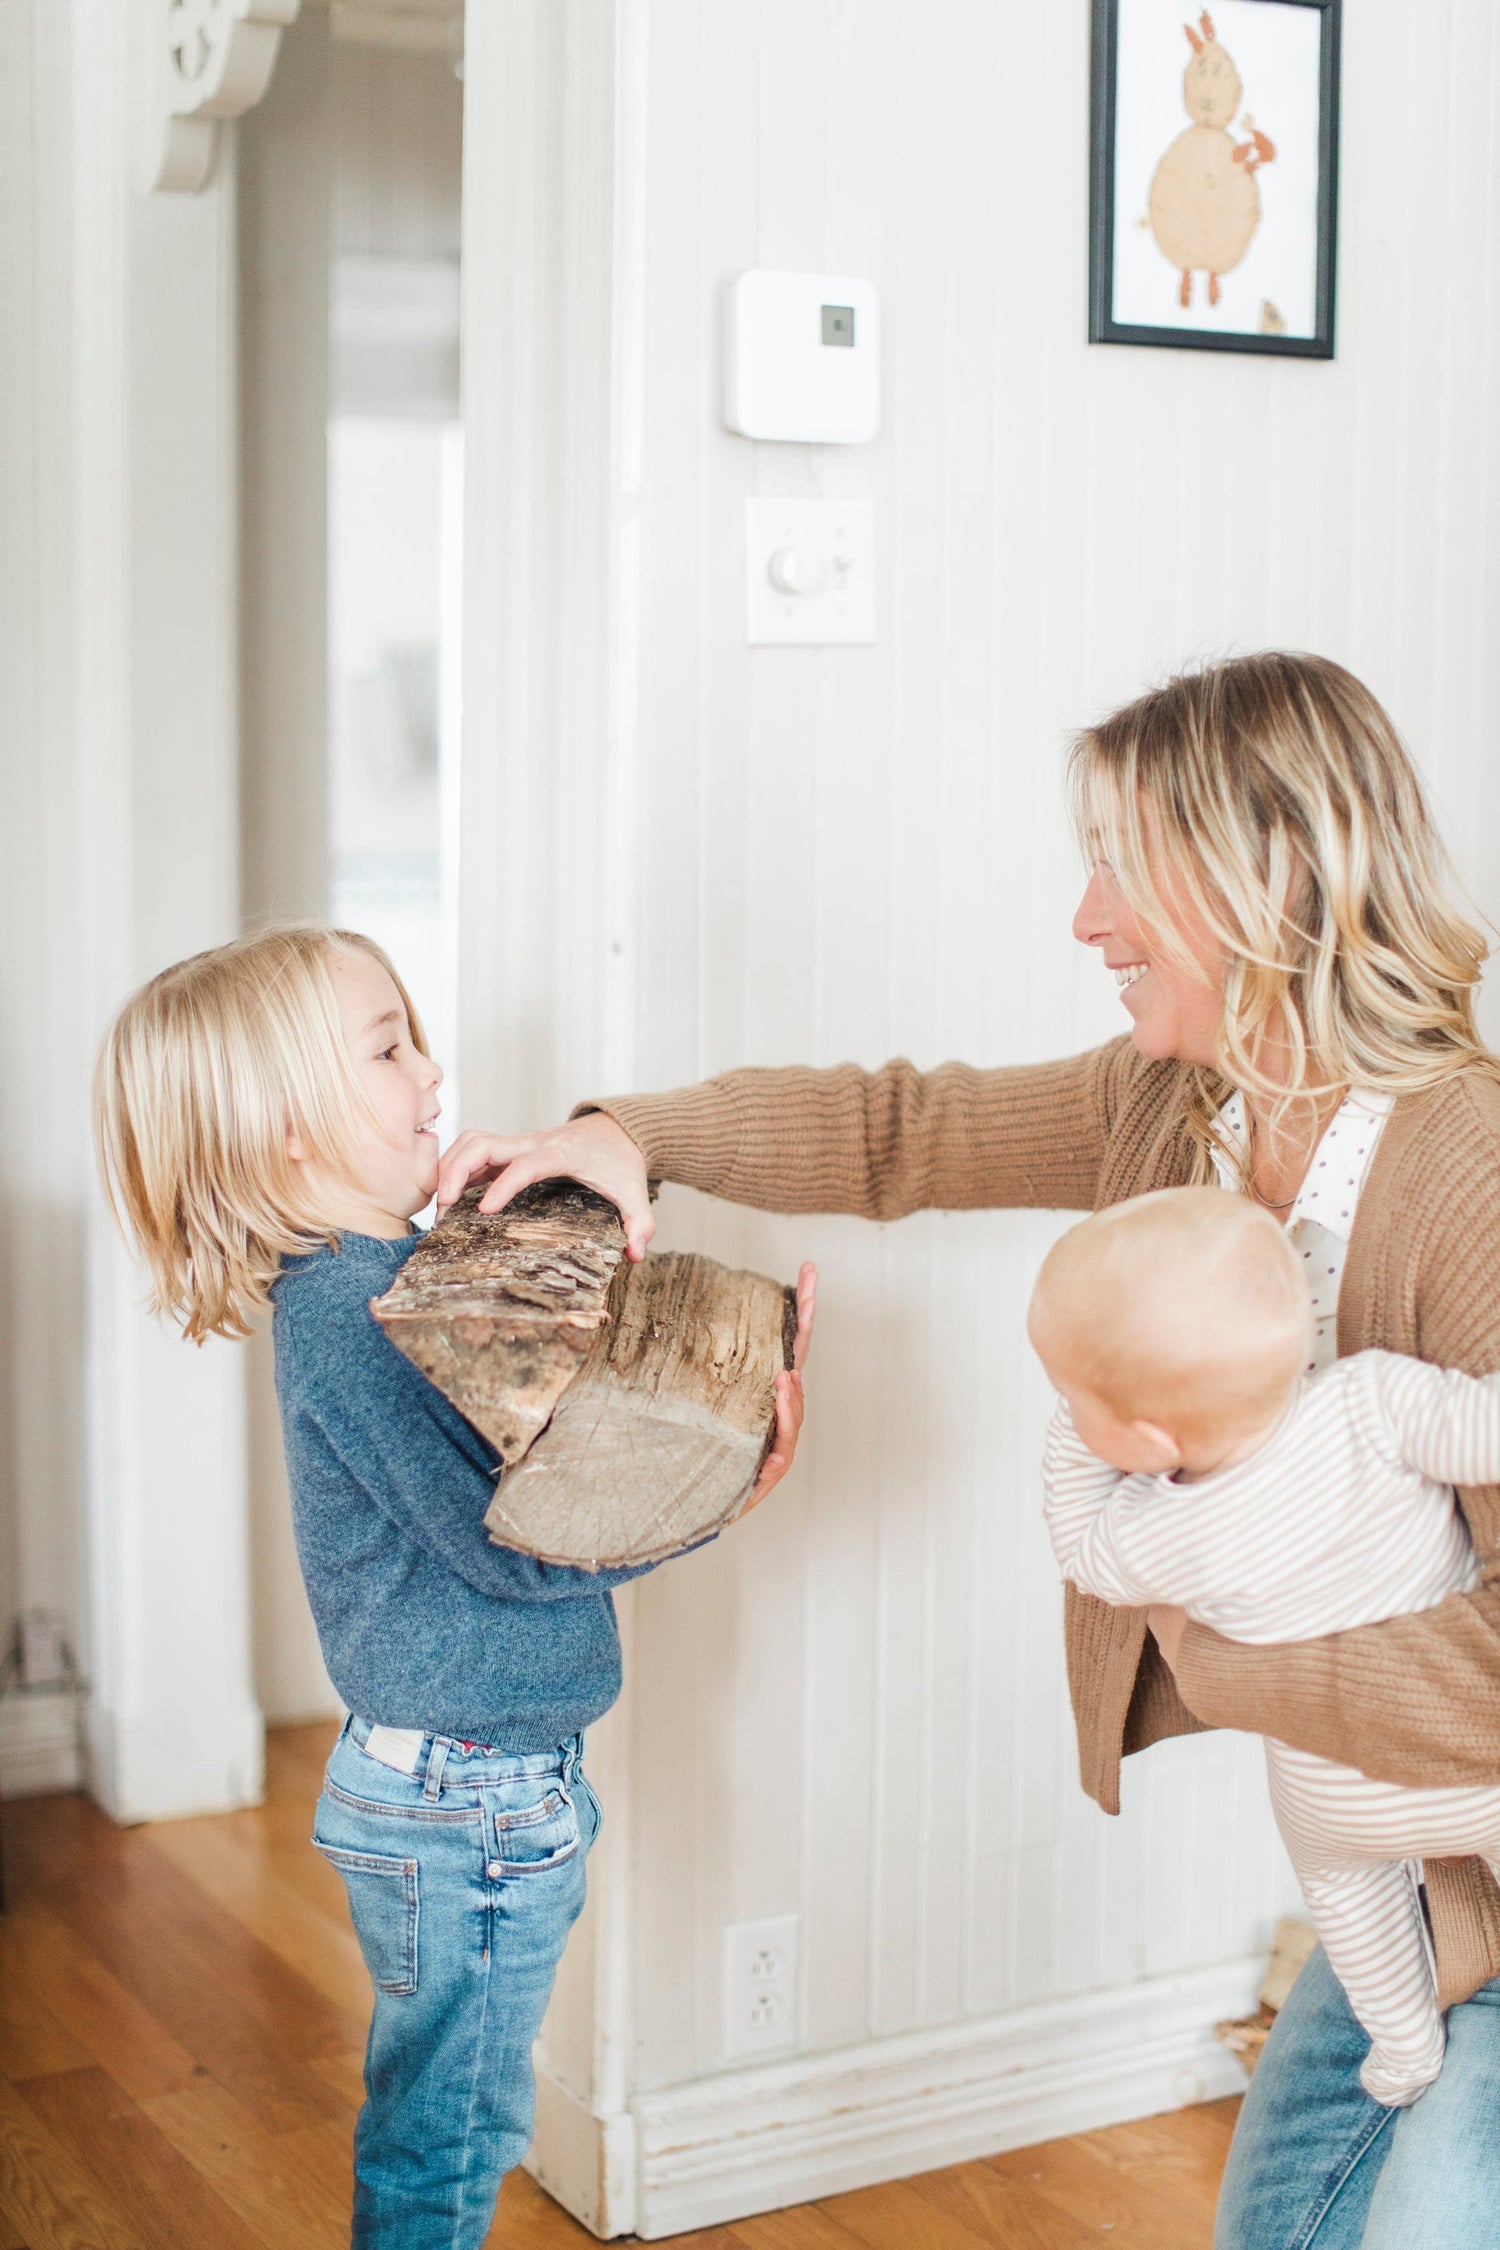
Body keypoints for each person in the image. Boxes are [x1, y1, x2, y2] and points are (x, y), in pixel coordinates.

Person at [437, 651, 1500, 2249]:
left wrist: (1222, 1659)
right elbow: (902, 1128)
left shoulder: (1468, 1169)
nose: (1084, 918)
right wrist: (629, 1132)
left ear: (1266, 870)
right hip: (1400, 1858)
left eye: (1119, 864)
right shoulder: (1189, 1110)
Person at [92, 923, 815, 2250]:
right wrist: (718, 1492)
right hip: (466, 1797)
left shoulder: (387, 1281)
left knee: (454, 2102)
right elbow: (512, 1536)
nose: (431, 1067)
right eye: (387, 1047)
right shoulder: (350, 1315)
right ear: (286, 1129)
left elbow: (537, 1430)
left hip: (476, 1781)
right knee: (455, 2126)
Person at [1031, 1184, 1500, 2109]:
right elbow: (1481, 1432)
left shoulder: (1165, 1531)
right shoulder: (1370, 1402)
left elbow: (1081, 1550)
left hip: (1337, 1804)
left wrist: (1072, 1434)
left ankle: (1404, 2048)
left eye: (1074, 1397)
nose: (1069, 1414)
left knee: (1348, 1896)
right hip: (1469, 1763)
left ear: (1153, 1438)